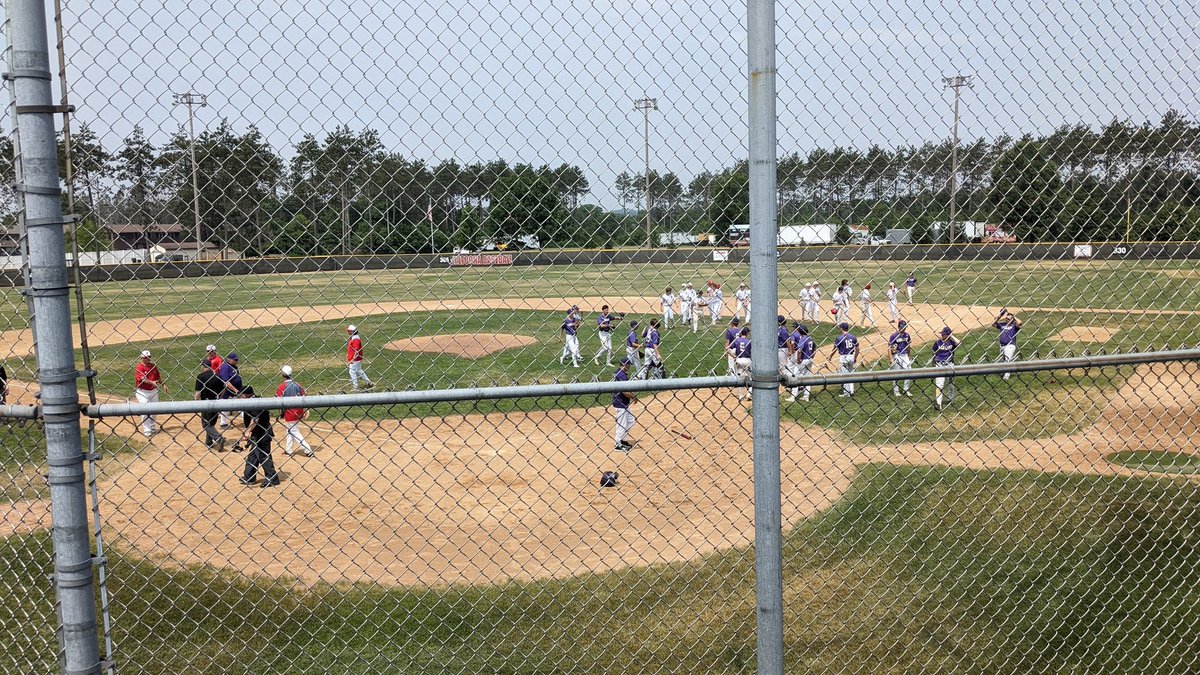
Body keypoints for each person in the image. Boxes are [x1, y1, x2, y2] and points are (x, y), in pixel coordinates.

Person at [237, 385, 280, 487]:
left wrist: (247, 432)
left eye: (240, 395)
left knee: (263, 455)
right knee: (253, 455)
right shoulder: (251, 401)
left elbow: (255, 419)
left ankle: (272, 478)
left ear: (245, 395)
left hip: (262, 433)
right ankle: (249, 477)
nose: (239, 398)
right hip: (257, 433)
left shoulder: (256, 403)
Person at [277, 365, 314, 457]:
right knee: (289, 430)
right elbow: (304, 396)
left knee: (294, 431)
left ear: (283, 375)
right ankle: (288, 450)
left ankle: (308, 450)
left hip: (290, 413)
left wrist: (280, 412)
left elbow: (277, 400)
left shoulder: (282, 387)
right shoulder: (297, 384)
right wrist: (306, 409)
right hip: (299, 411)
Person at [193, 358, 225, 451]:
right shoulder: (217, 375)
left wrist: (195, 401)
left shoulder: (201, 377)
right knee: (210, 423)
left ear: (203, 366)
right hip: (216, 402)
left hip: (206, 403)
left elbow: (198, 391)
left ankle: (219, 439)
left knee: (206, 424)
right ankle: (209, 442)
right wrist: (219, 396)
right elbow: (224, 387)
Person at [133, 349, 164, 438]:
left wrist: (164, 384)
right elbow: (142, 379)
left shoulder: (153, 366)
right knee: (145, 410)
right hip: (142, 392)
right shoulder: (139, 367)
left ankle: (152, 426)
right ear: (141, 358)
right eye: (145, 358)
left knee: (154, 409)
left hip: (153, 391)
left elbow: (158, 377)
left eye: (149, 357)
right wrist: (152, 383)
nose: (147, 359)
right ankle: (147, 429)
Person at [931, 326, 961, 410]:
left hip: (950, 365)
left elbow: (959, 343)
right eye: (942, 334)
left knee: (951, 384)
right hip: (939, 365)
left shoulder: (952, 343)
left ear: (948, 335)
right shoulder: (937, 343)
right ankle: (938, 403)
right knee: (939, 385)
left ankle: (950, 399)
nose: (942, 335)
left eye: (944, 334)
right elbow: (934, 353)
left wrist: (951, 336)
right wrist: (933, 364)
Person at [612, 358, 637, 452]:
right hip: (620, 403)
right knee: (622, 424)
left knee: (630, 420)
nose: (629, 366)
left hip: (622, 402)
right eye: (628, 364)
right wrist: (633, 397)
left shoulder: (619, 372)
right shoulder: (621, 375)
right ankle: (618, 444)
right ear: (624, 365)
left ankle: (622, 440)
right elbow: (625, 391)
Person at [787, 323, 815, 402]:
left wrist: (799, 360)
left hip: (803, 360)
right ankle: (806, 396)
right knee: (808, 378)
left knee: (796, 377)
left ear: (800, 331)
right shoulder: (810, 338)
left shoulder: (802, 339)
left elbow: (799, 351)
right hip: (810, 359)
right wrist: (812, 356)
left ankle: (793, 396)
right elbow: (815, 347)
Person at [830, 322, 859, 397]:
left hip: (844, 357)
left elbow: (834, 349)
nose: (839, 329)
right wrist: (855, 357)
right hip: (851, 356)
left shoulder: (839, 338)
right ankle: (851, 390)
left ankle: (846, 393)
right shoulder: (853, 337)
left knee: (845, 375)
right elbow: (858, 348)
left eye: (840, 327)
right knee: (850, 373)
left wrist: (830, 357)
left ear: (842, 328)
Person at [994, 309, 1023, 380]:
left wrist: (1014, 317)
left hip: (1010, 345)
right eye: (1006, 318)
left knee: (1008, 360)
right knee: (1004, 359)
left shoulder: (1014, 326)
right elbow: (993, 323)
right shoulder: (1002, 325)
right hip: (1002, 345)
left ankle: (1006, 376)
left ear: (1012, 320)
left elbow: (1020, 322)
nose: (1007, 320)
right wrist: (1000, 315)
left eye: (1008, 319)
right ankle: (1006, 371)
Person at [216, 352, 243, 429]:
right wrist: (235, 390)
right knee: (226, 407)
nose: (236, 361)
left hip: (236, 391)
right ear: (229, 360)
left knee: (241, 405)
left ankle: (247, 421)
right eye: (235, 360)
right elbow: (226, 382)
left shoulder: (235, 367)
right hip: (228, 391)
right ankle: (223, 423)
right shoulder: (225, 367)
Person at [888, 319, 914, 397]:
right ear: (899, 327)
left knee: (908, 371)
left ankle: (906, 390)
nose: (904, 328)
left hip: (905, 355)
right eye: (903, 327)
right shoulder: (894, 335)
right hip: (897, 355)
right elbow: (889, 347)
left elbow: (908, 346)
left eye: (905, 327)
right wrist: (891, 358)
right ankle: (896, 391)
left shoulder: (907, 335)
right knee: (896, 373)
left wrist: (909, 356)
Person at [346, 324, 375, 390]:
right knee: (358, 370)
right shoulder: (353, 337)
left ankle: (355, 386)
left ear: (353, 332)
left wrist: (353, 359)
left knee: (352, 371)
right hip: (356, 358)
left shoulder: (356, 339)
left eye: (349, 331)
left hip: (356, 359)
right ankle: (369, 382)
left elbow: (357, 350)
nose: (348, 332)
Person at [729, 326, 752, 400]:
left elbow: (728, 349)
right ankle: (749, 393)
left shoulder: (737, 340)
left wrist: (733, 356)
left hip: (739, 360)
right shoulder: (749, 341)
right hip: (747, 360)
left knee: (739, 378)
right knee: (751, 377)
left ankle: (740, 395)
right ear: (747, 333)